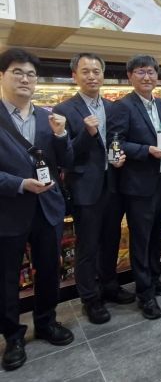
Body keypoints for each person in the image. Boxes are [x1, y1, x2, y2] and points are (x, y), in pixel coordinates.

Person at [0, 48, 74, 371]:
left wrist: (62, 136)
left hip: (47, 208)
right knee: (6, 278)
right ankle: (13, 336)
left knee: (49, 269)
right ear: (2, 76)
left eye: (31, 74)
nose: (25, 79)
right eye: (17, 72)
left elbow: (66, 161)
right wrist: (19, 184)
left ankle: (46, 321)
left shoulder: (48, 117)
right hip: (8, 211)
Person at [53, 53, 133, 325]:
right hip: (85, 189)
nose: (92, 76)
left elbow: (116, 142)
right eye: (85, 71)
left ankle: (110, 285)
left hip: (113, 185)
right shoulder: (64, 110)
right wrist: (87, 135)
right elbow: (65, 156)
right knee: (87, 245)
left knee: (111, 239)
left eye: (96, 71)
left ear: (103, 75)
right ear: (74, 75)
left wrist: (119, 157)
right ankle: (90, 298)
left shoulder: (112, 107)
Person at [108, 55, 161, 320]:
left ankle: (154, 278)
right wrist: (146, 150)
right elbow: (115, 141)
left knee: (157, 236)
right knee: (140, 239)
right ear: (130, 76)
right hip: (139, 185)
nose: (147, 77)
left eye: (151, 72)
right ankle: (145, 293)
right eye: (141, 72)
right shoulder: (122, 106)